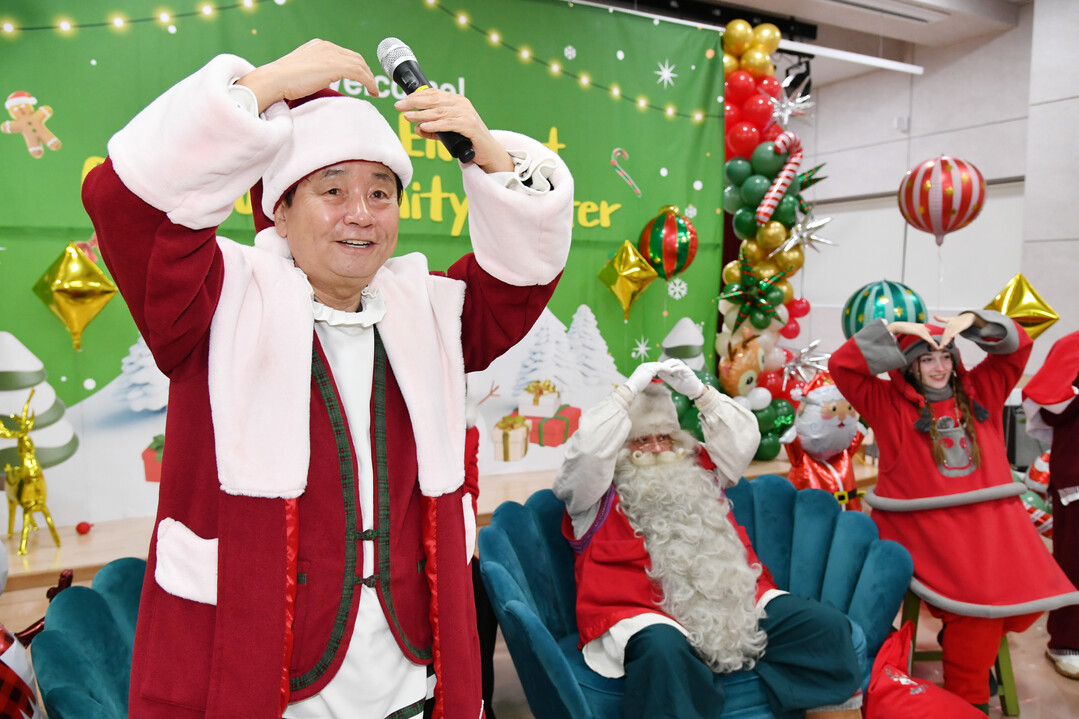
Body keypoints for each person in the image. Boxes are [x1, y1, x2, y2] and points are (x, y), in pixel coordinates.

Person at [81, 39, 573, 719]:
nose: (361, 213)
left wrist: (488, 156)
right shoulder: (213, 302)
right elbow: (128, 206)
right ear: (279, 210)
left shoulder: (430, 311)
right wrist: (265, 86)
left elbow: (520, 277)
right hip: (263, 680)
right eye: (332, 190)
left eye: (380, 192)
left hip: (407, 676)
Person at [553, 358, 864, 719]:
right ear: (620, 446)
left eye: (664, 437)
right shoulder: (594, 493)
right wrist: (625, 396)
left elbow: (743, 437)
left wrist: (699, 392)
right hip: (644, 617)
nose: (656, 449)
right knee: (663, 653)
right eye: (641, 440)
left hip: (732, 605)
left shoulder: (701, 468)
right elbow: (587, 454)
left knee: (824, 629)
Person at [830, 310, 1079, 713]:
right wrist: (891, 332)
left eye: (946, 356)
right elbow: (842, 367)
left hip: (991, 531)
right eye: (927, 358)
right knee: (981, 608)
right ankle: (971, 700)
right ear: (907, 365)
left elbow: (1018, 350)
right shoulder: (886, 403)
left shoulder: (981, 391)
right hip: (926, 535)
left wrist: (977, 323)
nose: (940, 367)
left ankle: (967, 650)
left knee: (1031, 590)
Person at [1023, 329, 1079, 679]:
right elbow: (1051, 406)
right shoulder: (1073, 346)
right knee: (1075, 561)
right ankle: (1070, 640)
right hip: (1078, 471)